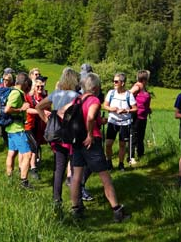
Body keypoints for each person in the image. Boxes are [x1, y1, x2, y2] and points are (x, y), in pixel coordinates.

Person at [70, 72, 130, 222]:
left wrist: (100, 120)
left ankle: (76, 209)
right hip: (91, 142)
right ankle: (117, 211)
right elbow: (90, 117)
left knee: (76, 177)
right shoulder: (94, 100)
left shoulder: (77, 99)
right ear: (95, 87)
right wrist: (90, 134)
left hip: (76, 141)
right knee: (105, 177)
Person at [35, 67, 80, 209]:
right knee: (74, 169)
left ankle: (56, 199)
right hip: (72, 135)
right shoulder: (76, 96)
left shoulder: (55, 94)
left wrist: (47, 120)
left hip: (56, 135)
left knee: (59, 167)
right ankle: (76, 202)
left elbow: (38, 107)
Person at [4, 72, 34, 189]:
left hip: (11, 128)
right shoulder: (16, 94)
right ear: (25, 83)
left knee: (12, 153)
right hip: (17, 129)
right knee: (28, 154)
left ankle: (9, 179)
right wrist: (21, 109)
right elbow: (7, 109)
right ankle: (24, 182)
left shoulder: (13, 91)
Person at [103, 72, 136, 171]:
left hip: (125, 122)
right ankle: (109, 162)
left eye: (116, 81)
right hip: (112, 121)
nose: (114, 83)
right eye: (114, 81)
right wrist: (111, 109)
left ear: (123, 83)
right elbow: (105, 105)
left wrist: (126, 110)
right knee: (108, 144)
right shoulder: (111, 93)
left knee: (122, 144)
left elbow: (135, 108)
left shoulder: (129, 95)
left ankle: (121, 164)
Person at [128, 70, 151, 165]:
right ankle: (131, 157)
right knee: (134, 136)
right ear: (144, 79)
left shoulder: (143, 87)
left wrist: (147, 108)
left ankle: (140, 154)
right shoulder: (137, 86)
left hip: (143, 115)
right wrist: (132, 107)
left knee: (141, 136)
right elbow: (128, 95)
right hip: (136, 115)